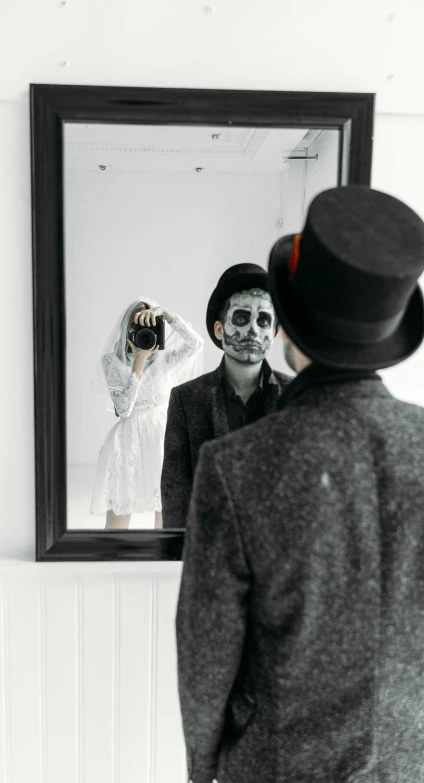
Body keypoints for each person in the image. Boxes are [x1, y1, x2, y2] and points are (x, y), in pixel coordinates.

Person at [175, 185, 424, 783]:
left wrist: (202, 769)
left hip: (273, 763)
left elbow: (206, 656)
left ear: (284, 324)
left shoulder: (236, 466)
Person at [161, 263, 291, 528]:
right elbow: (175, 492)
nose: (253, 330)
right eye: (241, 318)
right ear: (220, 330)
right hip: (212, 552)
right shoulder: (186, 399)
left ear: (274, 333)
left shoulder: (296, 395)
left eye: (263, 321)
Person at [90, 298, 203, 529]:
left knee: (167, 515)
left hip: (163, 439)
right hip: (127, 443)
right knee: (118, 517)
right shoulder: (111, 361)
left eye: (148, 324)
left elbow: (196, 344)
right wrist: (138, 363)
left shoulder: (164, 359)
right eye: (137, 325)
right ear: (127, 328)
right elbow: (123, 409)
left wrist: (168, 316)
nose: (143, 331)